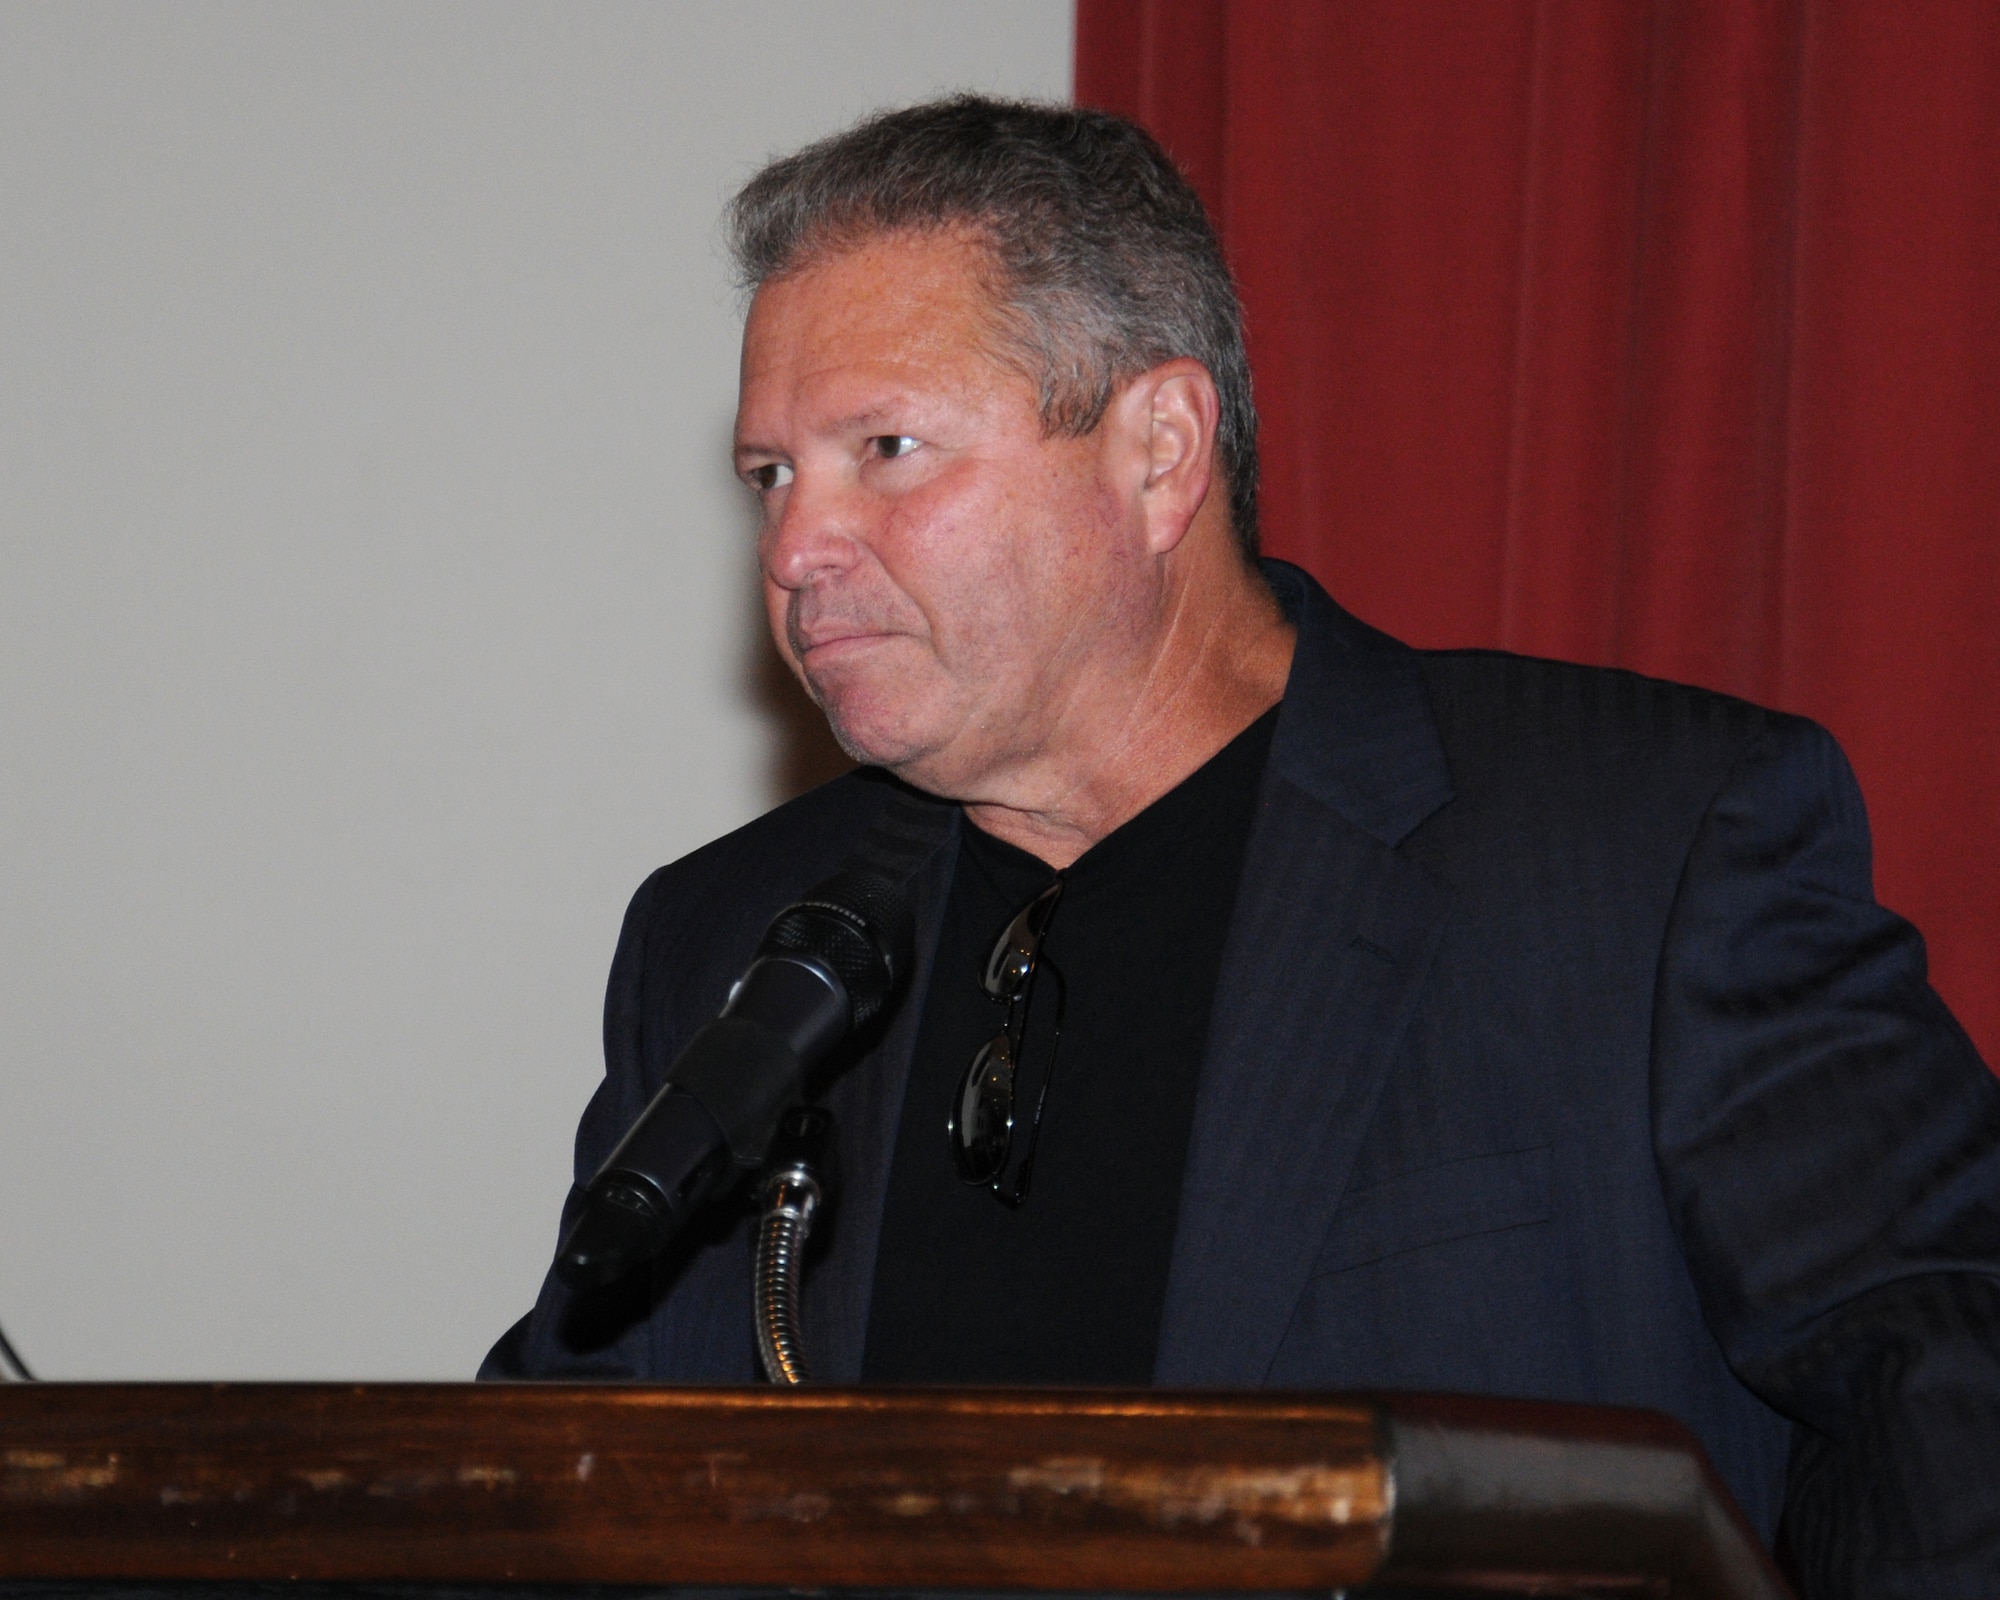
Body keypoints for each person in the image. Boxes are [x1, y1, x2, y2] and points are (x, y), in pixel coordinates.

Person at [483, 97, 2000, 1595]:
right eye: (771, 475)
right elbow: (544, 1491)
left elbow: (1951, 1393)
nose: (798, 546)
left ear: (1159, 450)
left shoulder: (1642, 853)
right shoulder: (730, 938)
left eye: (885, 447)